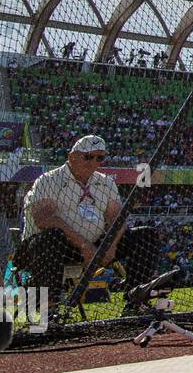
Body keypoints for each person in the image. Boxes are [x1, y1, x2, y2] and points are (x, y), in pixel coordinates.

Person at [12, 135, 158, 314]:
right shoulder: (48, 180)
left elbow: (117, 219)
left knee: (146, 235)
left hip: (95, 247)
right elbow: (45, 219)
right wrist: (84, 245)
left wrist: (110, 246)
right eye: (88, 156)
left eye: (100, 157)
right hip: (47, 249)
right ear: (72, 156)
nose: (94, 162)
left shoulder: (105, 182)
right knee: (51, 237)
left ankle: (136, 300)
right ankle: (48, 308)